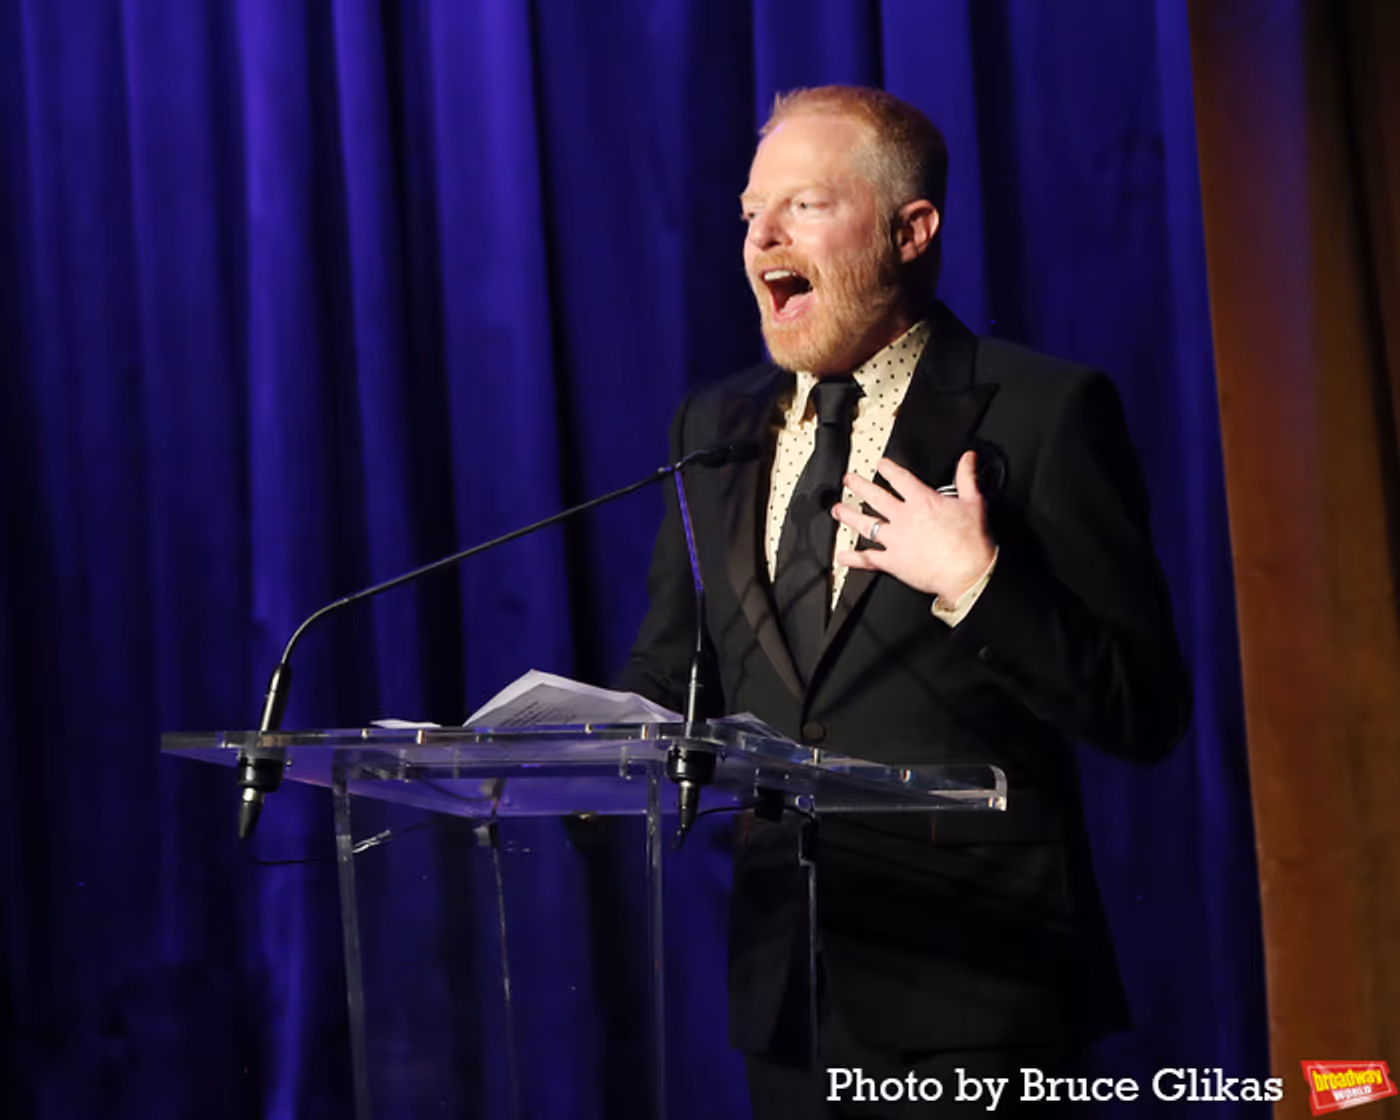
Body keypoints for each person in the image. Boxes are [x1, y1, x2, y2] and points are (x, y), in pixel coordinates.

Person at [616, 85, 1191, 1118]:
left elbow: (1144, 709)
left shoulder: (1041, 411)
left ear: (910, 230)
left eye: (803, 206)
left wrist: (977, 583)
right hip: (789, 993)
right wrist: (545, 749)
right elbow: (672, 669)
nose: (761, 238)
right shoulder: (714, 428)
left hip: (980, 994)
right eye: (750, 212)